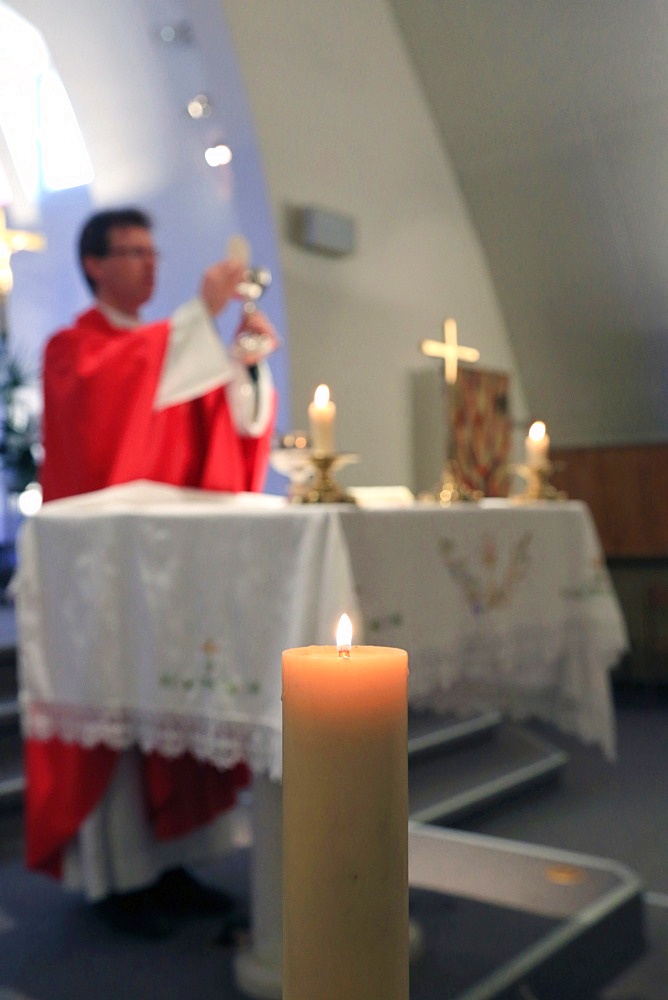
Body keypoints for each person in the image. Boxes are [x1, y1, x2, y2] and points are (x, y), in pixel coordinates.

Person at [27, 207, 280, 938]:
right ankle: (118, 880)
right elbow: (114, 395)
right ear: (94, 265)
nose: (148, 263)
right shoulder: (73, 348)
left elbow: (221, 438)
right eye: (131, 252)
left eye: (152, 250)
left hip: (167, 571)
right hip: (100, 576)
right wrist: (199, 317)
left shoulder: (169, 347)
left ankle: (171, 864)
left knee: (171, 707)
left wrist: (245, 369)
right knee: (114, 710)